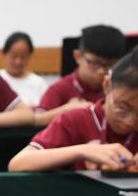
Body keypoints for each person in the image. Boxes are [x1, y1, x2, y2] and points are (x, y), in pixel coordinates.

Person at [8, 48, 138, 172]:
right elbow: (18, 163)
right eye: (123, 108)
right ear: (107, 85)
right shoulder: (74, 121)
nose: (131, 121)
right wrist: (82, 151)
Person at [35, 25, 126, 126]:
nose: (101, 71)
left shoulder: (120, 89)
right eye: (95, 63)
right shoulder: (60, 88)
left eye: (110, 65)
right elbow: (38, 119)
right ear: (78, 56)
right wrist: (66, 110)